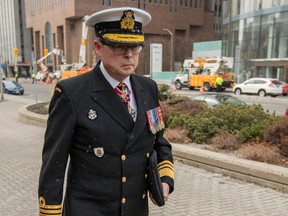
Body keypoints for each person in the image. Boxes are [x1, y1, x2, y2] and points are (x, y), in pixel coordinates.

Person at [38, 7, 174, 216]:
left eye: (135, 46)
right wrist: (50, 212)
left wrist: (164, 180)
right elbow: (54, 164)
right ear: (98, 47)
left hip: (134, 209)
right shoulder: (72, 93)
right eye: (120, 46)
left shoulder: (148, 88)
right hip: (89, 209)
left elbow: (158, 140)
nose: (129, 55)